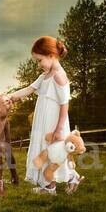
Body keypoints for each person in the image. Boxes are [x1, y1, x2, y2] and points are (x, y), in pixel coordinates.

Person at [8, 36, 84, 195]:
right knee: (45, 151)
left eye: (39, 60)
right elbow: (29, 89)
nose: (38, 64)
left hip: (54, 123)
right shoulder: (45, 76)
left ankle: (71, 178)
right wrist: (9, 97)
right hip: (43, 122)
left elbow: (65, 105)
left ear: (51, 55)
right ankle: (51, 186)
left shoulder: (59, 76)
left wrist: (59, 129)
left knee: (55, 153)